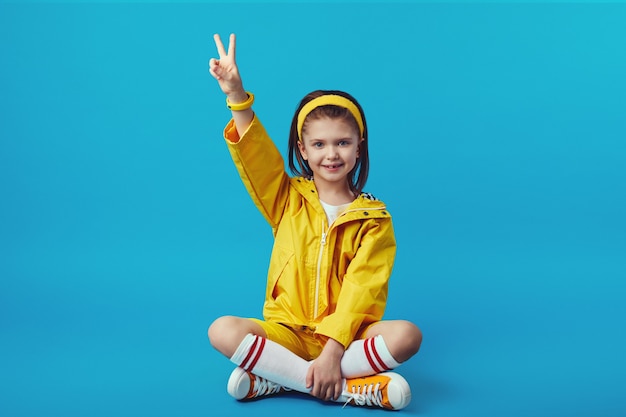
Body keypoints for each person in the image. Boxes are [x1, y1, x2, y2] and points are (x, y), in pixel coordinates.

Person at [207, 33, 422, 410]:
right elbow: (257, 158)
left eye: (342, 142)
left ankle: (277, 379)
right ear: (303, 151)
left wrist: (333, 351)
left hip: (348, 338)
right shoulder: (286, 198)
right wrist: (237, 94)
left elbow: (362, 289)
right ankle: (349, 390)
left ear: (359, 145)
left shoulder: (375, 221)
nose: (331, 154)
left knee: (407, 336)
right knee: (222, 330)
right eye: (319, 144)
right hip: (288, 332)